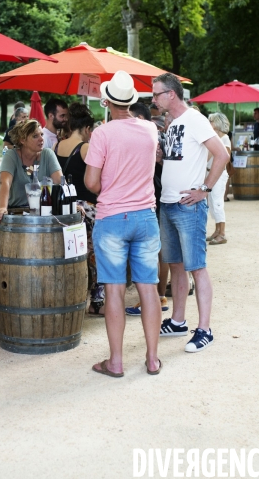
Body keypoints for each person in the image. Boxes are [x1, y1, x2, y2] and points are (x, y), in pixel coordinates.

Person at [84, 70, 162, 377]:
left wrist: (111, 184)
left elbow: (91, 182)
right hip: (145, 216)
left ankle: (115, 362)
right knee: (149, 289)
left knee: (114, 290)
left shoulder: (102, 133)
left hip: (112, 218)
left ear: (106, 101)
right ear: (132, 101)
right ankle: (153, 359)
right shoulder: (150, 130)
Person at [152, 73, 229, 353]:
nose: (154, 99)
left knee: (196, 267)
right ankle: (178, 320)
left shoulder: (195, 119)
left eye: (157, 94)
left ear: (171, 94)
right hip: (169, 203)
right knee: (175, 266)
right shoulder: (172, 124)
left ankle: (205, 329)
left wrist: (205, 190)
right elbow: (180, 158)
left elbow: (222, 154)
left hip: (188, 206)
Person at [54, 103, 104, 315]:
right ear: (86, 128)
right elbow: (96, 180)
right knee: (94, 256)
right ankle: (96, 301)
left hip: (66, 209)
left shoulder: (58, 146)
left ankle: (72, 298)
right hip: (88, 209)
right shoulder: (85, 148)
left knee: (72, 255)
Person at [125, 102, 170, 316]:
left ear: (140, 119)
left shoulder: (152, 136)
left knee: (155, 250)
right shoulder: (153, 135)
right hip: (155, 196)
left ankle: (156, 297)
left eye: (131, 118)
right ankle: (157, 296)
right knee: (157, 249)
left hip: (155, 195)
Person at [0, 120, 62, 222]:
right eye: (35, 136)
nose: (41, 139)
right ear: (22, 140)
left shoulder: (48, 154)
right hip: (17, 212)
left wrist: (71, 203)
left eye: (42, 134)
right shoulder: (11, 155)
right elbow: (5, 182)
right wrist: (3, 207)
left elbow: (60, 182)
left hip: (44, 212)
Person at [206, 113, 231, 245]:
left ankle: (222, 233)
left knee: (217, 203)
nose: (209, 122)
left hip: (219, 174)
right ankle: (217, 230)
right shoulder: (214, 137)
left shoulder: (224, 138)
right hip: (211, 173)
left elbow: (225, 158)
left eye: (212, 121)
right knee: (212, 204)